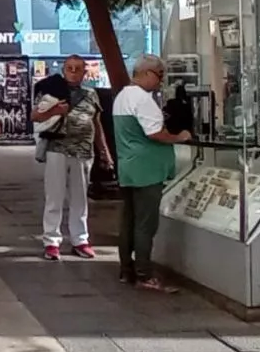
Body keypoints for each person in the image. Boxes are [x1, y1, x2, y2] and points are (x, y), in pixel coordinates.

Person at [113, 54, 190, 292]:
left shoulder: (122, 96)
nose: (161, 81)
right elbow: (155, 133)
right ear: (146, 73)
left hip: (129, 167)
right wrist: (179, 137)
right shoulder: (142, 99)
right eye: (159, 75)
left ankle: (127, 269)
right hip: (147, 170)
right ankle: (144, 273)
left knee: (129, 221)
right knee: (146, 223)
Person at [31, 54, 112, 261]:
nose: (74, 72)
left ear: (85, 72)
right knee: (54, 196)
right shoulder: (53, 90)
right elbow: (35, 116)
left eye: (78, 68)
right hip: (57, 149)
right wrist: (56, 111)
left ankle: (80, 240)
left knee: (80, 198)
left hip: (83, 152)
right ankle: (51, 240)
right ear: (64, 70)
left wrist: (104, 151)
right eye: (70, 68)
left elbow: (97, 123)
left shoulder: (91, 94)